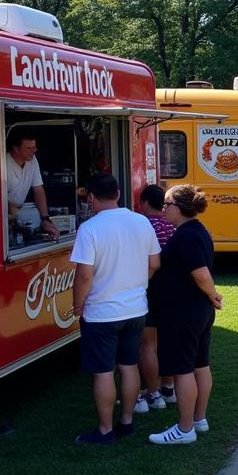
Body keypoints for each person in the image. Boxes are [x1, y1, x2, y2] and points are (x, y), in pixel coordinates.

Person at [70, 173, 161, 444]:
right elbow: (155, 263)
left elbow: (84, 275)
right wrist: (137, 282)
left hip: (101, 312)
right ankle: (127, 422)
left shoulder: (90, 229)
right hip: (135, 310)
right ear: (119, 194)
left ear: (91, 198)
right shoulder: (141, 221)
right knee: (129, 366)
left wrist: (77, 304)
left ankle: (105, 430)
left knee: (103, 371)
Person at [148, 185, 221, 444]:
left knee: (182, 369)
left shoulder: (186, 236)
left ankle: (185, 428)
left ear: (179, 207)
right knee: (200, 364)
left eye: (167, 204)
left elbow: (199, 272)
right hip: (197, 310)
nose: (164, 209)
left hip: (183, 312)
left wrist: (213, 294)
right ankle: (199, 420)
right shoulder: (196, 231)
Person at [135, 184, 177, 413]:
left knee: (148, 345)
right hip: (171, 291)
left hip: (149, 289)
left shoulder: (142, 225)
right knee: (167, 340)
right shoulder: (173, 225)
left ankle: (153, 394)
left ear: (143, 203)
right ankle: (168, 387)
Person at [5, 130, 60, 241]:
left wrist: (45, 218)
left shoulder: (33, 160)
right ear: (16, 149)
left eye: (34, 147)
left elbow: (38, 189)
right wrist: (10, 209)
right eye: (29, 148)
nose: (34, 151)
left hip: (19, 212)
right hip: (3, 217)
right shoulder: (3, 162)